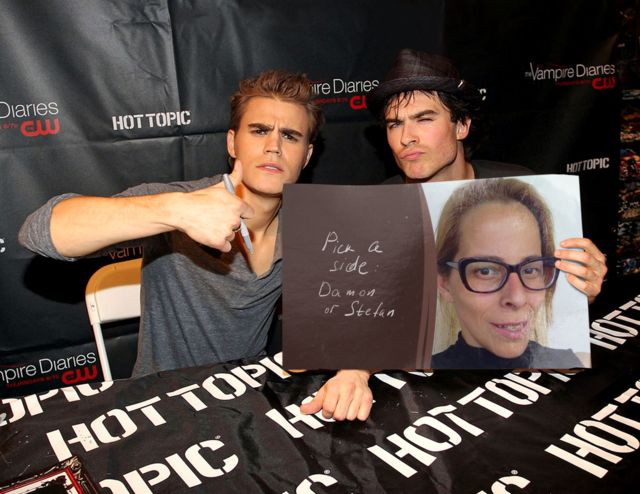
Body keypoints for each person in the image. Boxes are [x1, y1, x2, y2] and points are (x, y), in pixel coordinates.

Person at [19, 69, 373, 421]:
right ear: (232, 143)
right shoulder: (183, 203)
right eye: (259, 130)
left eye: (290, 136)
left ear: (306, 157)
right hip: (163, 406)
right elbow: (39, 232)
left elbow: (365, 309)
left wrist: (354, 372)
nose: (274, 146)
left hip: (247, 403)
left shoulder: (312, 226)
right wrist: (173, 211)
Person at [366, 48, 607, 302]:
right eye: (395, 124)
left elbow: (555, 296)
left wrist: (580, 289)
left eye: (424, 119)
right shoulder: (375, 209)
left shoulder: (520, 189)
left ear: (462, 125)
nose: (406, 138)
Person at [430, 178, 584, 369]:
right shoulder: (412, 376)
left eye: (530, 270)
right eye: (486, 271)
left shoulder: (575, 364)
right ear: (444, 283)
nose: (517, 298)